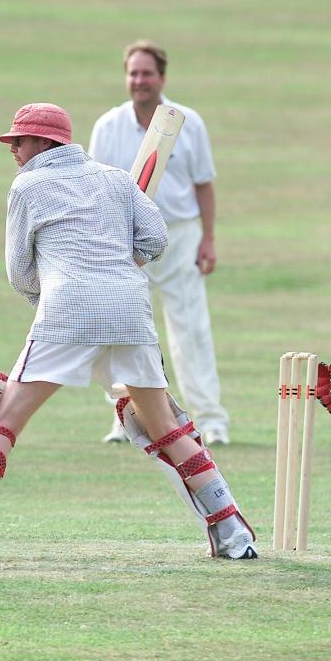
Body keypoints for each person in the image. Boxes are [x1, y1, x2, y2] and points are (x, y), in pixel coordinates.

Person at [0, 103, 257, 570]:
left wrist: (60, 289)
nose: (14, 148)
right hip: (129, 309)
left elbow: (19, 272)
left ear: (45, 143)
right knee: (165, 425)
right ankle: (232, 531)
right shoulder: (115, 179)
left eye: (20, 139)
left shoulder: (28, 185)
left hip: (67, 311)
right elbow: (156, 237)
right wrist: (116, 269)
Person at [89, 40, 230, 447]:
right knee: (123, 331)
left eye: (147, 73)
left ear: (162, 78)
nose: (139, 81)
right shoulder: (108, 126)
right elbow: (98, 190)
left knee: (191, 330)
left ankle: (211, 419)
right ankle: (126, 418)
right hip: (126, 240)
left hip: (181, 235)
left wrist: (209, 238)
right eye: (133, 73)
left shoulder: (189, 122)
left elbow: (203, 184)